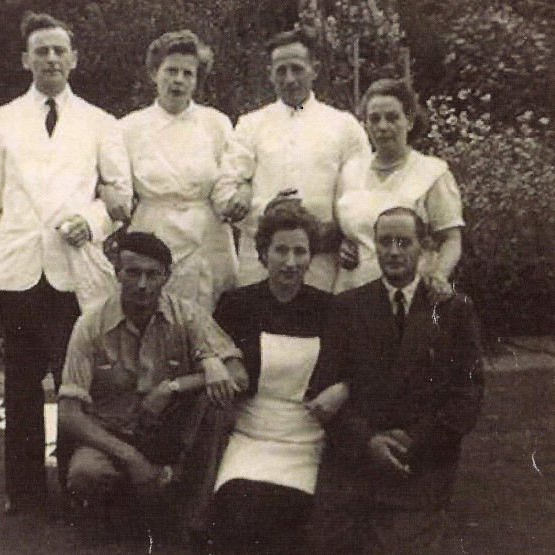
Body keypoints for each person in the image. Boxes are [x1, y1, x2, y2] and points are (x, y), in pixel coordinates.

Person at [0, 12, 132, 515]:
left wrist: (92, 220)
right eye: (41, 51)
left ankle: (76, 487)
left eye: (60, 50)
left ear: (74, 58)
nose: (52, 59)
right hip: (17, 270)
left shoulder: (101, 122)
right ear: (26, 60)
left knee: (74, 386)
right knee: (19, 385)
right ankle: (24, 495)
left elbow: (122, 196)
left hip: (72, 271)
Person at [314, 207, 484, 554]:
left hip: (421, 462)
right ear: (374, 246)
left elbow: (467, 396)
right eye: (385, 242)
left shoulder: (452, 310)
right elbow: (322, 391)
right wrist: (369, 441)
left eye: (403, 242)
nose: (393, 251)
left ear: (423, 247)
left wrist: (413, 440)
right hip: (357, 460)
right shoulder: (348, 308)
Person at [58, 231, 247, 540]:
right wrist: (131, 459)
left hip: (171, 433)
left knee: (218, 398)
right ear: (117, 273)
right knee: (85, 474)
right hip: (114, 435)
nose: (143, 284)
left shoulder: (187, 315)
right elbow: (68, 412)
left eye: (152, 274)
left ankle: (191, 520)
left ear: (167, 277)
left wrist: (173, 387)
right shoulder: (90, 326)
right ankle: (127, 514)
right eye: (133, 273)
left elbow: (238, 375)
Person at [211, 197, 349, 554]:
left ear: (311, 257)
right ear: (263, 253)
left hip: (305, 438)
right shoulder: (236, 305)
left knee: (288, 524)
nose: (290, 262)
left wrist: (342, 389)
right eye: (281, 250)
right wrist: (217, 364)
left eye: (300, 252)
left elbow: (353, 369)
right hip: (249, 436)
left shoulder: (328, 309)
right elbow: (209, 354)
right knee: (237, 515)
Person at [219, 28, 370, 292]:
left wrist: (347, 236)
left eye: (297, 69)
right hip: (259, 261)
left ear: (315, 69)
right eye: (281, 70)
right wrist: (265, 211)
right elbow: (225, 192)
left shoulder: (343, 126)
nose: (289, 79)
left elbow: (360, 196)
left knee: (317, 326)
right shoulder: (250, 125)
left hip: (322, 260)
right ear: (270, 74)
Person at [113, 30, 238, 313]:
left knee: (207, 321)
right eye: (170, 71)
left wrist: (233, 200)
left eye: (187, 73)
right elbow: (115, 185)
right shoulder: (128, 128)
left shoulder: (217, 124)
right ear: (154, 74)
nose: (178, 80)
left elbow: (229, 181)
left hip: (207, 237)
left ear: (197, 80)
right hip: (153, 232)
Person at [334, 78, 464, 294]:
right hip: (353, 294)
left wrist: (438, 276)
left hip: (408, 296)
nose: (383, 127)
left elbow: (451, 239)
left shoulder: (432, 173)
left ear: (410, 121)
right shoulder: (350, 171)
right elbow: (348, 232)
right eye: (374, 119)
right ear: (365, 124)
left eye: (392, 118)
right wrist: (344, 246)